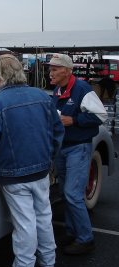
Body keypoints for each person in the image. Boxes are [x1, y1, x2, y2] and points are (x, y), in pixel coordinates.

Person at [0, 54, 64, 267]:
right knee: (44, 217)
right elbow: (57, 132)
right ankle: (48, 266)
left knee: (25, 222)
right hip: (42, 169)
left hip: (15, 173)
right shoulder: (42, 98)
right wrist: (49, 158)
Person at [48, 53, 107, 255]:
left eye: (55, 69)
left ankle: (85, 239)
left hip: (78, 148)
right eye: (51, 68)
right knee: (66, 192)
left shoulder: (82, 89)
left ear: (67, 70)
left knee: (72, 194)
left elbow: (101, 115)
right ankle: (74, 232)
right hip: (63, 148)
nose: (51, 72)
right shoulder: (58, 89)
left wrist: (74, 121)